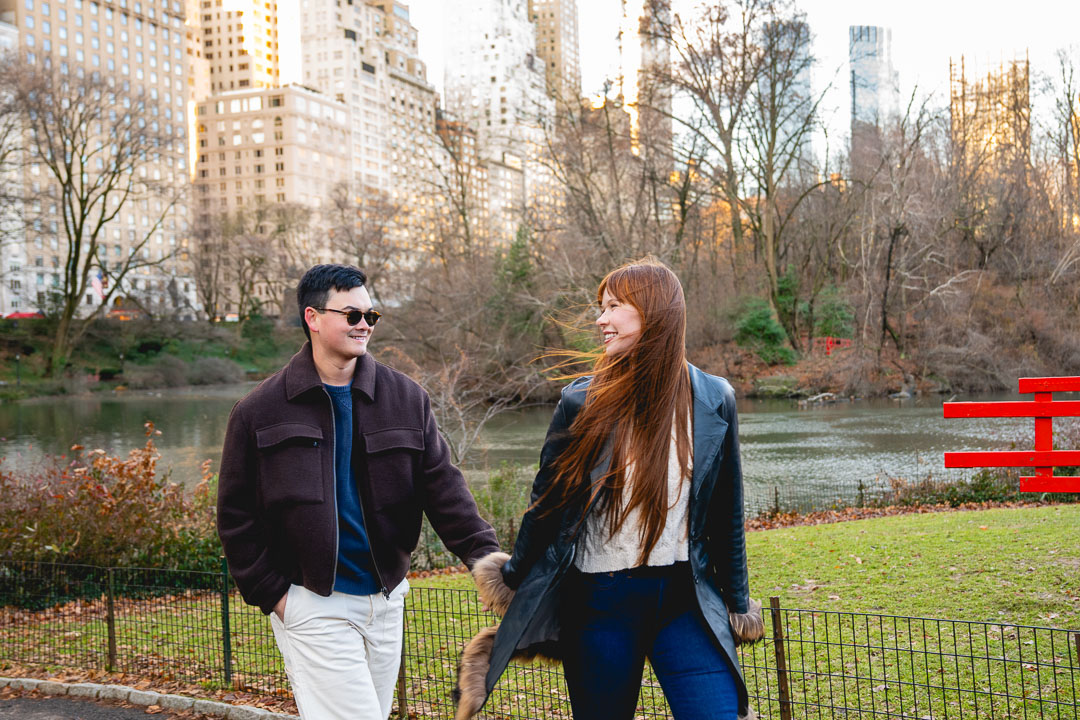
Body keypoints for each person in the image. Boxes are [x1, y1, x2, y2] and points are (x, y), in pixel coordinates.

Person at [456, 258, 763, 720]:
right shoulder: (579, 402)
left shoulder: (714, 398)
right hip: (599, 604)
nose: (601, 319)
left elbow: (726, 513)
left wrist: (738, 604)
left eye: (614, 306)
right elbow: (547, 505)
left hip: (685, 602)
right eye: (601, 307)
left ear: (653, 311)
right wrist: (512, 577)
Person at [217, 264, 499, 720]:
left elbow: (443, 488)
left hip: (386, 600)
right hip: (312, 601)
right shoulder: (258, 411)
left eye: (371, 315)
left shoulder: (406, 398)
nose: (364, 324)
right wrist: (275, 595)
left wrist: (487, 561)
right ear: (312, 317)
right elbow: (235, 516)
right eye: (352, 315)